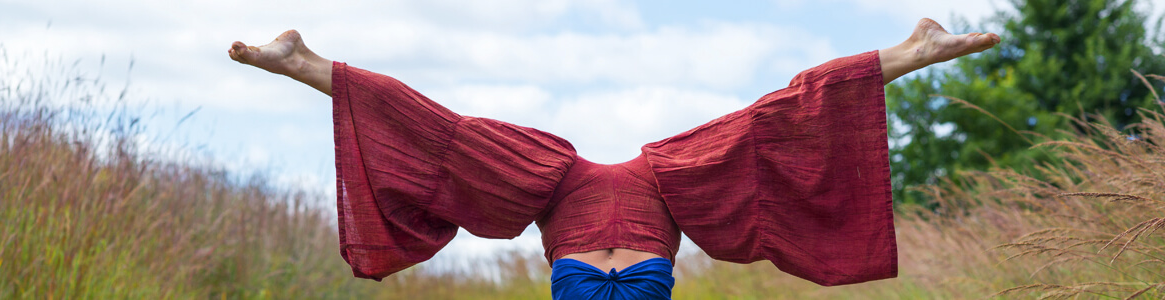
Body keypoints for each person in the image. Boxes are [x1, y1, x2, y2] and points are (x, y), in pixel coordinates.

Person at [228, 18, 999, 300]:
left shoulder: (576, 184)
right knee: (770, 122)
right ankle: (305, 62)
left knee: (446, 134)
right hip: (611, 223)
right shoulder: (619, 181)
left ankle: (911, 51)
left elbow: (434, 137)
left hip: (609, 226)